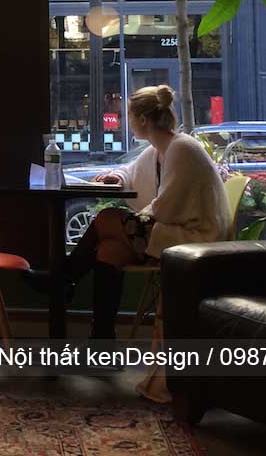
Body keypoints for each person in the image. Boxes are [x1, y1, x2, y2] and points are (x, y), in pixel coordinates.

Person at [63, 85, 230, 339]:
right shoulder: (160, 149)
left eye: (129, 115)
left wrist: (136, 215)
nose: (127, 121)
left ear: (142, 119)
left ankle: (63, 279)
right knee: (108, 251)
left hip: (195, 238)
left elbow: (166, 208)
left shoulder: (182, 149)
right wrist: (117, 177)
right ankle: (102, 341)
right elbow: (130, 171)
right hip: (172, 233)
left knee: (107, 218)